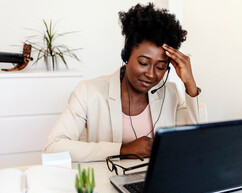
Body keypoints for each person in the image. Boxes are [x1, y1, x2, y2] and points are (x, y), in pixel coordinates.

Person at [43, 3, 206, 162]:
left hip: (155, 183)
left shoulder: (171, 93)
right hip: (108, 182)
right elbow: (53, 146)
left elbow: (197, 142)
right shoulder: (88, 91)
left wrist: (190, 84)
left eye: (160, 67)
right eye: (143, 62)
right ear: (126, 56)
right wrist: (123, 150)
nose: (150, 74)